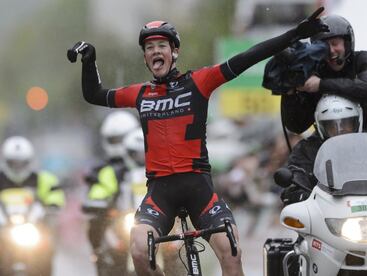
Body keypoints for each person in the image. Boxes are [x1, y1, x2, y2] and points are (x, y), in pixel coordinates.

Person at [68, 8, 328, 275]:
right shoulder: (140, 94)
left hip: (199, 190)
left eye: (161, 46)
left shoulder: (199, 82)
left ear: (174, 52)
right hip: (160, 194)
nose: (156, 51)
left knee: (231, 248)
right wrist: (89, 61)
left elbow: (248, 57)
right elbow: (94, 94)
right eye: (149, 47)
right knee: (138, 248)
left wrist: (294, 34)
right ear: (145, 58)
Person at [280, 95, 367, 206]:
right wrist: (297, 194)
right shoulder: (307, 150)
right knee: (301, 237)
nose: (340, 130)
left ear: (358, 121)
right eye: (332, 126)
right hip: (325, 215)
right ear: (321, 126)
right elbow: (295, 177)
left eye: (346, 124)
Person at [281, 14, 367, 135]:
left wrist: (321, 85)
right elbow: (297, 126)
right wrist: (290, 92)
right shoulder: (314, 71)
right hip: (326, 145)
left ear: (347, 44)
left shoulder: (363, 60)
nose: (330, 51)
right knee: (299, 153)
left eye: (335, 43)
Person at [82, 110, 139, 273]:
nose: (119, 144)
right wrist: (96, 203)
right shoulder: (105, 171)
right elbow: (97, 192)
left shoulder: (152, 161)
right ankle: (99, 255)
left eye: (122, 138)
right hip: (121, 221)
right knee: (96, 224)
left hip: (151, 217)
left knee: (177, 244)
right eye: (114, 140)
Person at [0, 136, 65, 276]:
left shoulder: (43, 179)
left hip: (33, 226)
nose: (18, 167)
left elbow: (55, 194)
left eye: (21, 163)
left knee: (45, 248)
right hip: (3, 229)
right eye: (13, 163)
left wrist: (52, 205)